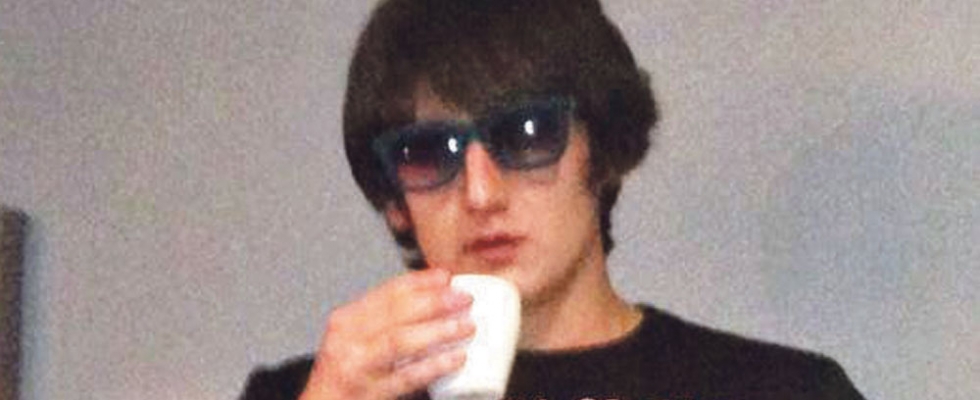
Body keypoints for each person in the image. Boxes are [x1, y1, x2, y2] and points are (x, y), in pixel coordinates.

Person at [240, 0, 866, 399]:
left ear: (605, 150)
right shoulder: (317, 392)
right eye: (429, 153)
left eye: (527, 135)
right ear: (395, 200)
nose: (480, 192)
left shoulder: (778, 391)